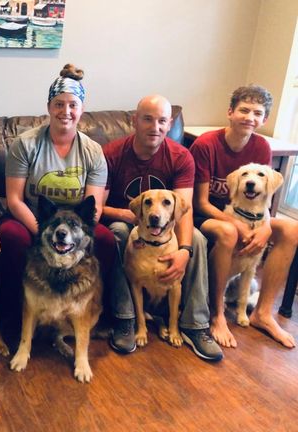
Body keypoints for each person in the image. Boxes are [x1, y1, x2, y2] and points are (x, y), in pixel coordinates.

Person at [102, 95, 223, 361]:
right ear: (134, 121)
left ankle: (195, 324)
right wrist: (129, 215)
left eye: (162, 121)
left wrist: (185, 251)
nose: (155, 127)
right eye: (147, 119)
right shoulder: (111, 153)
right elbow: (97, 207)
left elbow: (184, 210)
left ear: (170, 125)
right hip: (126, 220)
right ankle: (126, 319)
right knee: (118, 232)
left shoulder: (181, 157)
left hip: (166, 226)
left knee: (198, 239)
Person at [0, 63, 116, 329]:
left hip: (75, 223)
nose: (66, 111)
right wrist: (44, 233)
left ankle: (90, 313)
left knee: (107, 240)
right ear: (49, 107)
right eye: (59, 104)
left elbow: (93, 207)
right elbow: (14, 199)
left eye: (73, 105)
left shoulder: (94, 152)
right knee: (11, 238)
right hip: (34, 216)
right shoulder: (25, 144)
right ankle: (13, 315)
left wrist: (74, 236)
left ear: (81, 109)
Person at [190, 85, 298, 349]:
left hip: (251, 215)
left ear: (264, 119)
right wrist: (236, 224)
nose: (250, 117)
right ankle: (216, 314)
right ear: (230, 112)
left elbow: (265, 197)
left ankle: (263, 313)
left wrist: (267, 226)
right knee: (229, 232)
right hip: (208, 217)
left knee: (292, 230)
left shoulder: (261, 146)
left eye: (257, 113)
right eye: (244, 110)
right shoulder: (206, 145)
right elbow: (201, 203)